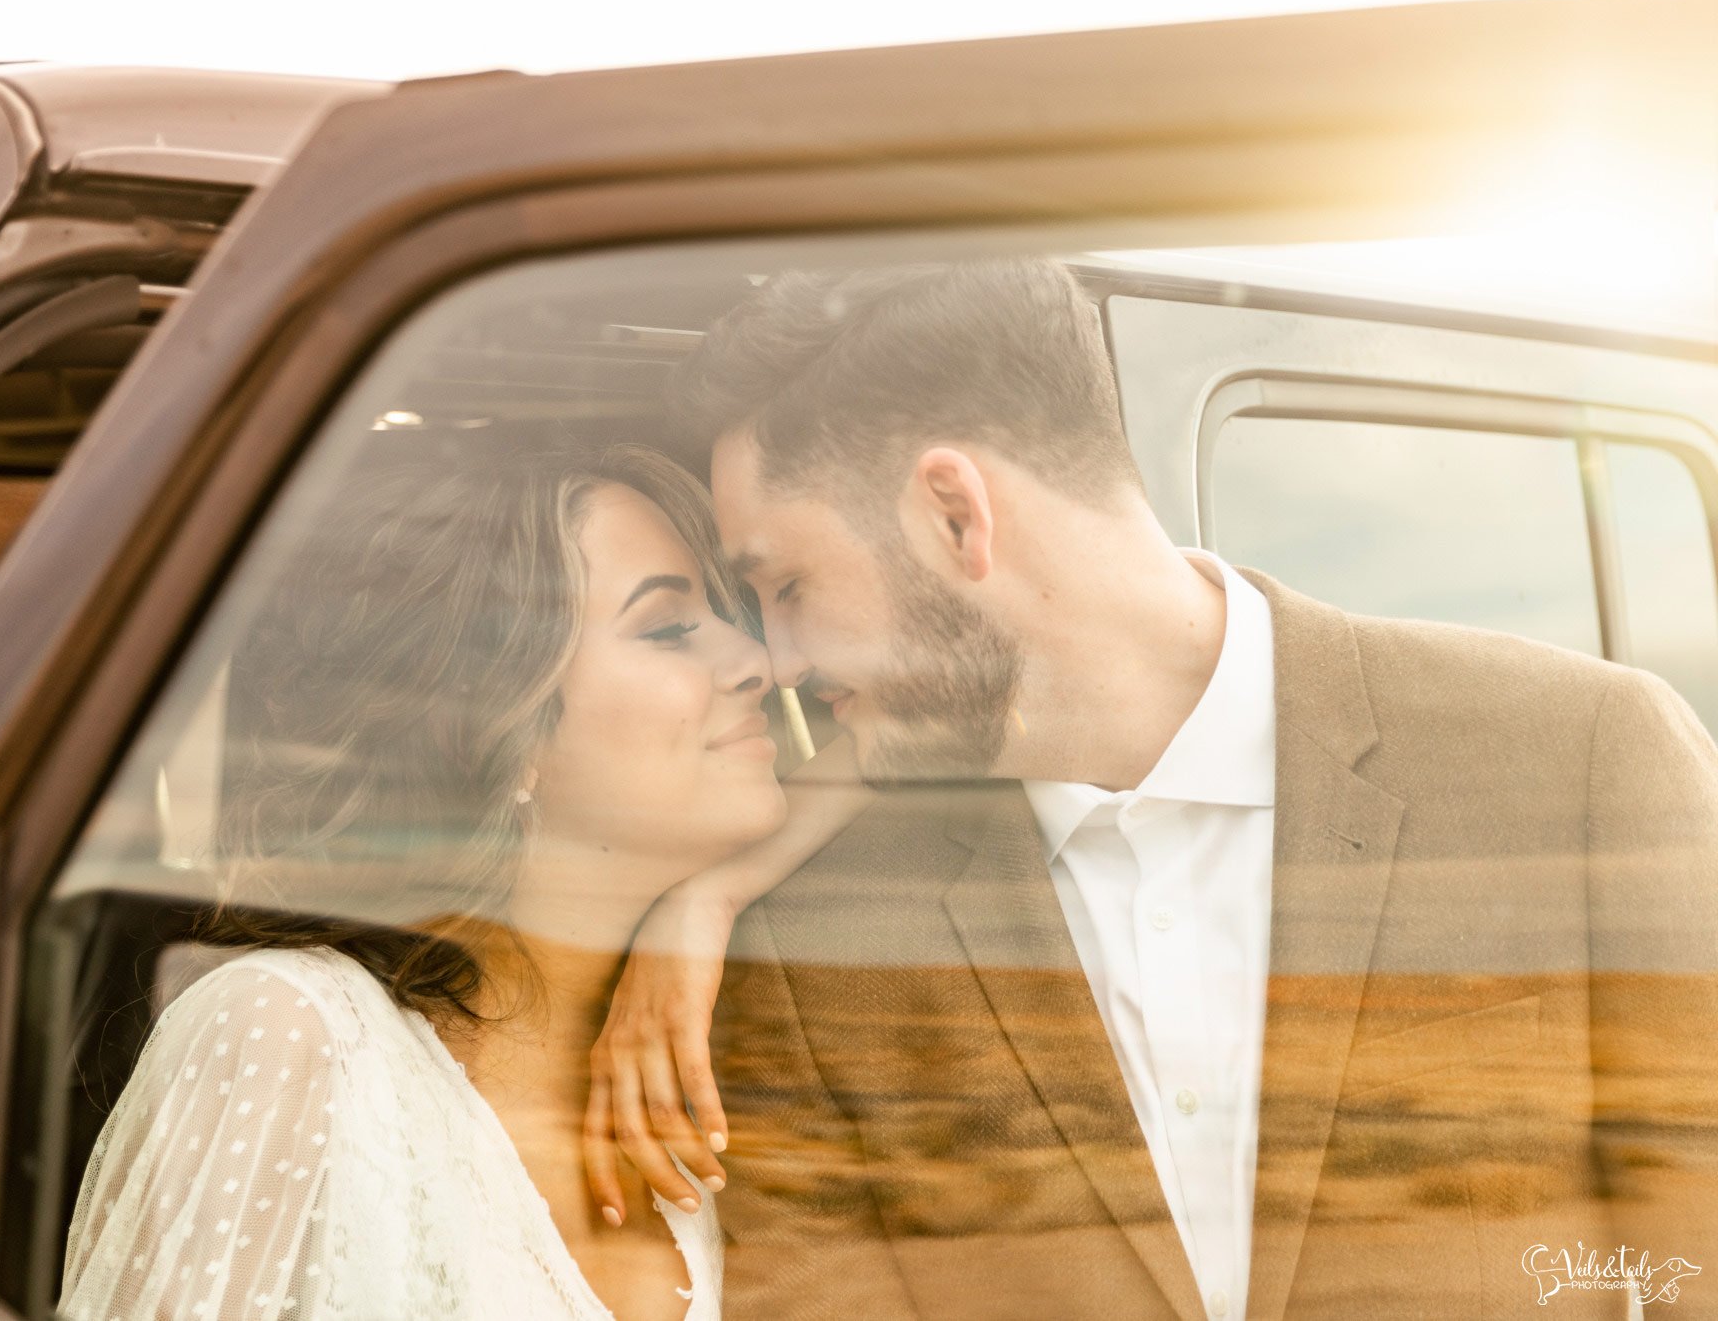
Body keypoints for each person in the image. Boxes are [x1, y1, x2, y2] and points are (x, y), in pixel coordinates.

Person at [585, 259, 1718, 1319]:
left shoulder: (1585, 761)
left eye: (785, 584)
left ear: (953, 516)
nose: (776, 661)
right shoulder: (811, 945)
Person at [56, 442, 867, 1321]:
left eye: (730, 615)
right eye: (669, 627)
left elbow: (954, 720)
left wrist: (712, 896)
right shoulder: (298, 1036)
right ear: (494, 731)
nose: (756, 660)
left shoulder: (713, 1070)